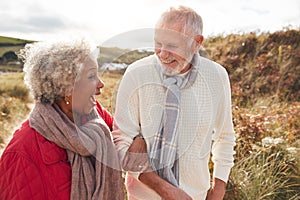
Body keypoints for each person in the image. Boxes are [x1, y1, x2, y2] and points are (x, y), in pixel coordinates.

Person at [112, 5, 236, 200]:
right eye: (157, 43)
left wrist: (218, 189)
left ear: (196, 43)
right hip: (144, 197)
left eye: (172, 45)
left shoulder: (216, 76)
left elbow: (225, 137)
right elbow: (120, 142)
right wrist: (165, 190)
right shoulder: (137, 73)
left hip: (196, 195)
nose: (162, 53)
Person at [0, 38, 125, 200]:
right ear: (65, 86)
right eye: (91, 76)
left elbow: (126, 139)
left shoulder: (94, 115)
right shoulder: (22, 153)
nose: (101, 84)